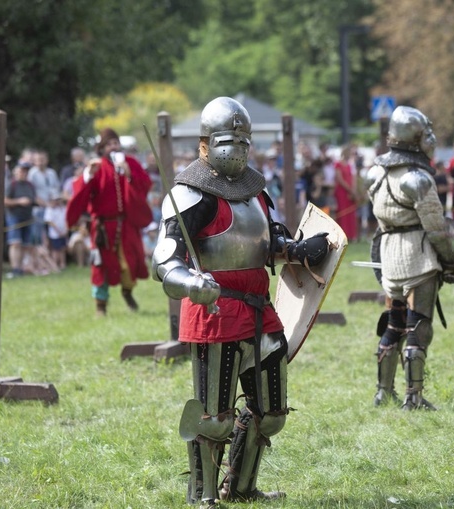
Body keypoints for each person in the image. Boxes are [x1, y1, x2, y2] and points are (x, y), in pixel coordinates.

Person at [152, 97, 330, 507]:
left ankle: (243, 486)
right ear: (205, 143)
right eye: (227, 139)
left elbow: (268, 243)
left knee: (271, 414)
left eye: (243, 140)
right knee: (215, 419)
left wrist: (299, 249)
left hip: (260, 311)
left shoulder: (255, 191)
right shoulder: (190, 193)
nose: (237, 149)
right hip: (215, 312)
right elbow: (164, 258)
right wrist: (192, 282)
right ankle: (204, 494)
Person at [366, 105, 454, 411]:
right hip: (417, 257)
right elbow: (436, 230)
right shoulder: (416, 178)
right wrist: (451, 262)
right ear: (414, 139)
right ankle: (414, 397)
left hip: (389, 255)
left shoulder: (376, 172)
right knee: (418, 326)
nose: (430, 139)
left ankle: (383, 392)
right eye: (425, 134)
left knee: (394, 323)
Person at [66, 127, 153, 316]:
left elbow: (145, 185)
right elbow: (81, 191)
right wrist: (88, 175)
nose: (114, 147)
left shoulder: (130, 162)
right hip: (103, 228)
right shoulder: (96, 166)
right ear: (102, 148)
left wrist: (129, 174)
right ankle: (100, 306)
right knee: (100, 266)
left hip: (127, 225)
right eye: (109, 144)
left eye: (116, 143)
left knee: (129, 264)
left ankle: (127, 293)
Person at [4, 162, 36, 279]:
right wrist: (19, 201)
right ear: (16, 171)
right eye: (22, 170)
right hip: (14, 216)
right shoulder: (11, 184)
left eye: (26, 171)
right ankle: (15, 268)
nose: (24, 173)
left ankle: (21, 268)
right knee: (15, 243)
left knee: (25, 244)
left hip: (28, 217)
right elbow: (5, 200)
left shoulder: (30, 185)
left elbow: (33, 199)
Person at [333, 144, 359, 242]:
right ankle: (343, 236)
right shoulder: (338, 164)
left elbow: (353, 178)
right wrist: (349, 189)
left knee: (351, 214)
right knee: (342, 214)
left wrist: (353, 191)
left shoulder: (349, 165)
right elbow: (340, 179)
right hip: (342, 192)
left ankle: (352, 235)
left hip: (350, 192)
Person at [43, 194, 68, 271]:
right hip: (54, 233)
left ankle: (62, 264)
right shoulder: (49, 209)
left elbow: (66, 219)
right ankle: (55, 265)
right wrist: (59, 231)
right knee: (55, 249)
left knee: (63, 248)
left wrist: (65, 230)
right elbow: (50, 222)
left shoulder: (63, 208)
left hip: (63, 231)